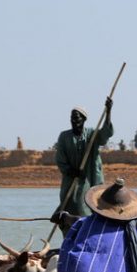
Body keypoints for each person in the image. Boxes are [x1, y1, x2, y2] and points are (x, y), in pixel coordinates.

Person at [54, 99, 114, 231]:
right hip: (71, 182)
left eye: (77, 118)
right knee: (68, 209)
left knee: (87, 207)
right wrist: (71, 171)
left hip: (89, 180)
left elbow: (104, 135)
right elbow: (60, 160)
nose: (74, 121)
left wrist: (108, 111)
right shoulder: (64, 137)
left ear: (84, 119)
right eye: (72, 118)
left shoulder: (91, 135)